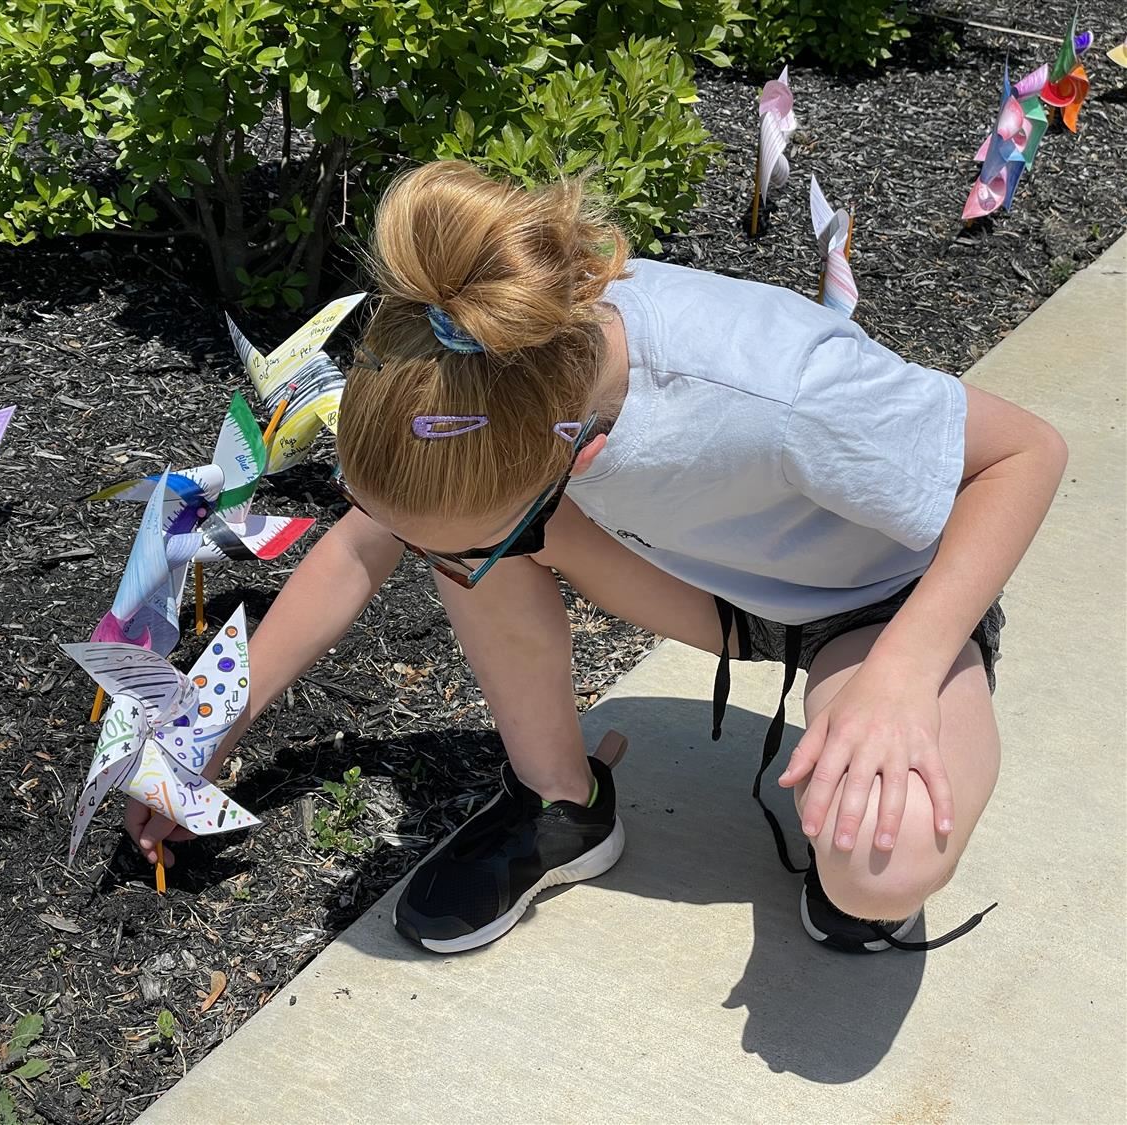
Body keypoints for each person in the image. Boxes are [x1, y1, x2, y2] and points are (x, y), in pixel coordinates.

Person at [125, 160, 1067, 955]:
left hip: (875, 606)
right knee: (476, 547)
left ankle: (894, 746)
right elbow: (359, 552)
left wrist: (904, 672)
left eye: (465, 535)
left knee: (876, 869)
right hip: (710, 588)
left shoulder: (783, 382)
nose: (428, 558)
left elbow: (1027, 455)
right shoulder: (473, 375)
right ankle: (559, 803)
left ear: (573, 451)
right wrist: (207, 730)